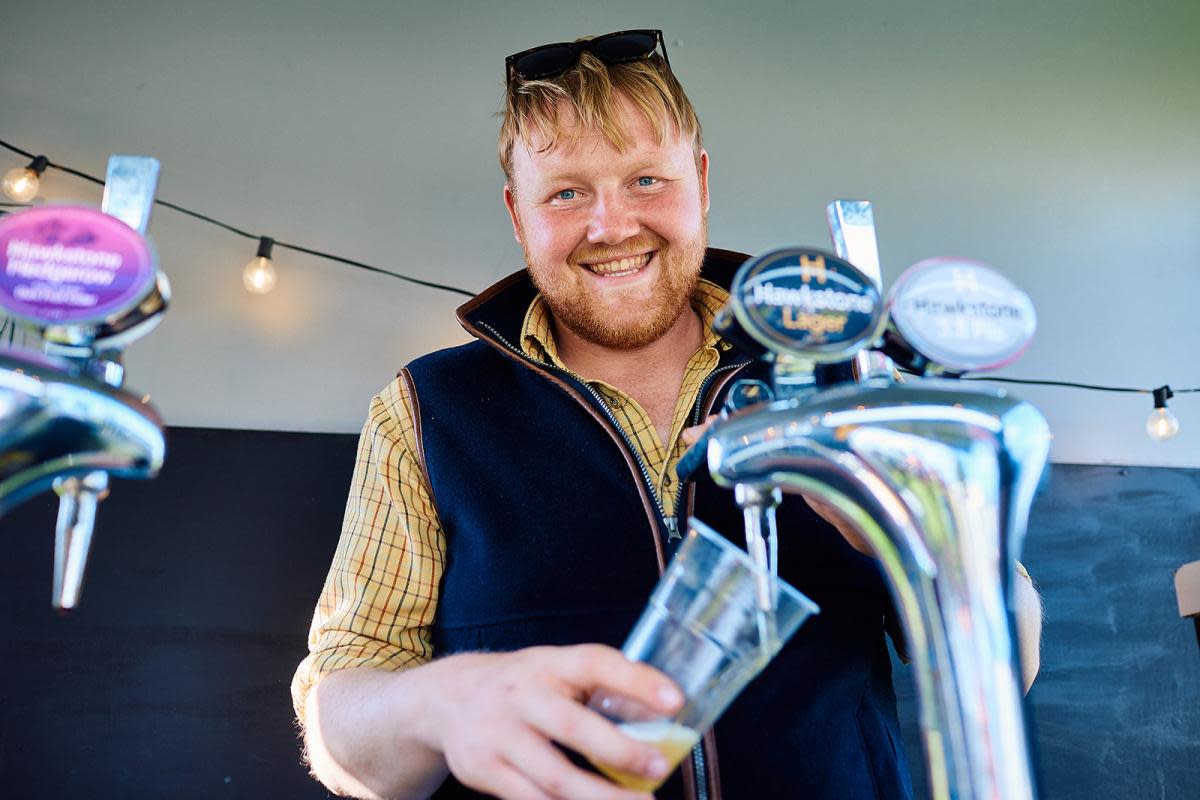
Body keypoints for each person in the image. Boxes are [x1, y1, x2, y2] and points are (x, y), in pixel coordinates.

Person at [292, 29, 1043, 800]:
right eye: (566, 192)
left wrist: (914, 535)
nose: (612, 226)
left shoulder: (853, 387)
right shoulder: (424, 411)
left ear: (702, 182)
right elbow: (339, 723)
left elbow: (1009, 662)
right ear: (519, 215)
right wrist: (435, 705)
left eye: (647, 179)